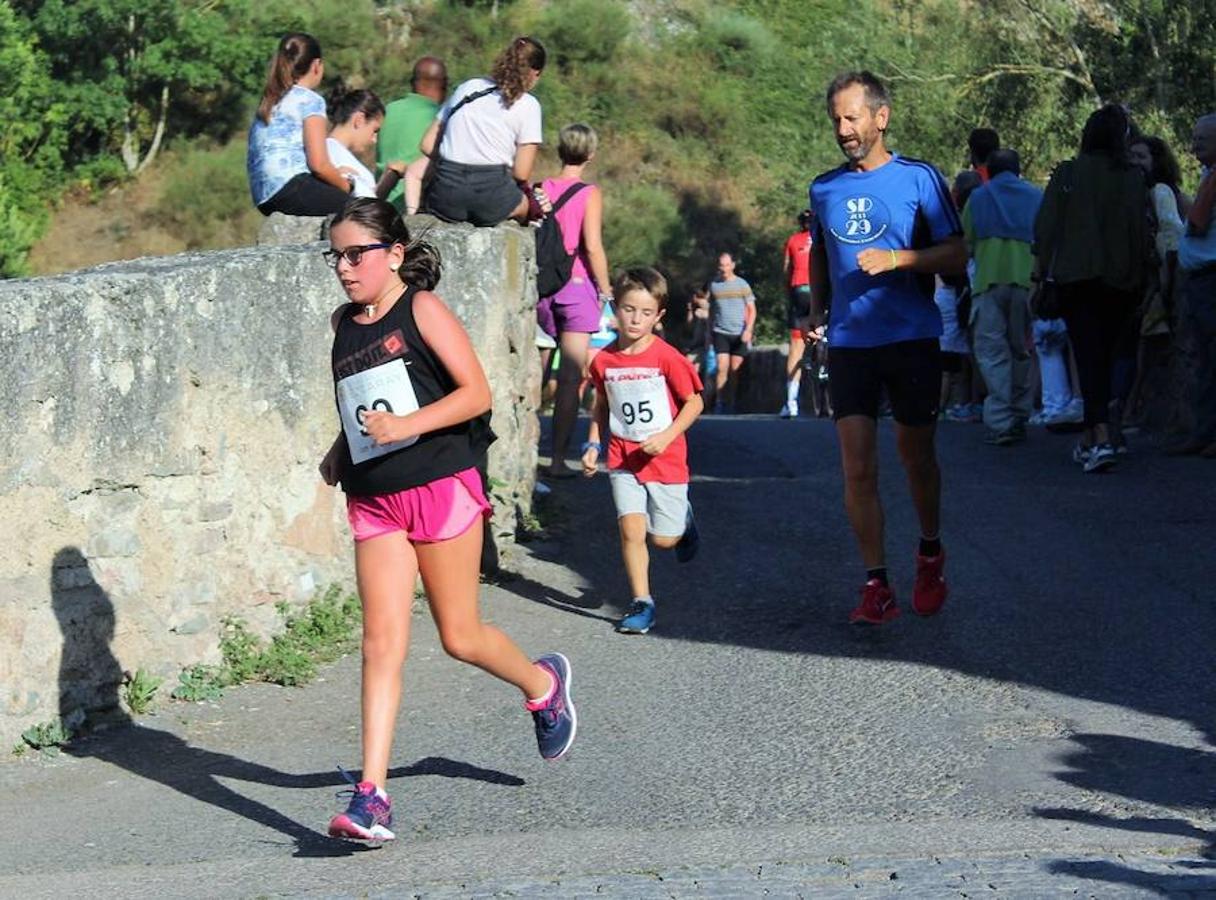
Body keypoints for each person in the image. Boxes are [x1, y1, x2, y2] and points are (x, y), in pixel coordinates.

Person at [318, 198, 577, 843]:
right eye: (336, 256)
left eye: (357, 254)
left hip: (438, 486)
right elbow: (363, 403)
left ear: (395, 254)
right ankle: (372, 796)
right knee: (380, 643)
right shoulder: (343, 324)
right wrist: (340, 447)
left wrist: (405, 426)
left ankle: (542, 684)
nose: (345, 268)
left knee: (458, 636)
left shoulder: (422, 310)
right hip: (375, 495)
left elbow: (475, 393)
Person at [808, 71, 966, 625]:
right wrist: (815, 310)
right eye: (836, 120)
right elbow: (820, 252)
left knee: (916, 457)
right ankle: (876, 583)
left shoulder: (919, 178)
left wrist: (899, 260)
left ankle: (929, 551)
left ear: (881, 116)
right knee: (857, 470)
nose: (843, 129)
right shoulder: (823, 187)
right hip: (851, 342)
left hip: (910, 336)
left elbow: (955, 253)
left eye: (852, 117)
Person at [581, 268, 703, 635]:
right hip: (622, 457)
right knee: (631, 530)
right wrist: (593, 443)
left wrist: (667, 436)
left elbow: (694, 403)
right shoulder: (603, 360)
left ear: (659, 317)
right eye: (629, 309)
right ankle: (642, 602)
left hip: (665, 457)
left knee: (663, 539)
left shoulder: (667, 357)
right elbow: (602, 405)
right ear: (615, 309)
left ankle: (684, 519)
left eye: (646, 313)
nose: (636, 319)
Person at [1034, 104, 1149, 473]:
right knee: (1108, 356)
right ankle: (1099, 433)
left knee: (1088, 356)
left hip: (1076, 278)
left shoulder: (1069, 173)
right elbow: (1140, 231)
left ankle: (1097, 436)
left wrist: (1040, 273)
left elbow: (1046, 227)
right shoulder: (1131, 177)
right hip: (1122, 279)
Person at [536, 124, 613, 478]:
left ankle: (525, 447)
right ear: (590, 155)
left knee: (534, 374)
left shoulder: (539, 189)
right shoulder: (588, 193)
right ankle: (556, 460)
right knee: (570, 378)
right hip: (576, 286)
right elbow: (592, 245)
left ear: (560, 150)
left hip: (541, 288)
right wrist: (606, 288)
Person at [419, 36, 546, 226]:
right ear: (535, 73)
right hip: (491, 195)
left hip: (445, 194)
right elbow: (521, 173)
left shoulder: (468, 88)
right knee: (534, 207)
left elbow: (427, 144)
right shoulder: (528, 104)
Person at [963, 148, 1042, 445]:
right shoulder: (1036, 195)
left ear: (990, 172)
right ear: (1018, 170)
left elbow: (967, 242)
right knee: (1021, 350)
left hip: (988, 281)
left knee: (993, 352)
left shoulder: (979, 198)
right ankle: (1021, 412)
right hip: (1025, 280)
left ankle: (1001, 420)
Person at [247, 33, 354, 217]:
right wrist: (347, 185)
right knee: (365, 213)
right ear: (316, 66)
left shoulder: (270, 100)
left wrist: (334, 174)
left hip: (264, 197)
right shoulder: (310, 100)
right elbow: (319, 165)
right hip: (291, 188)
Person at [1169, 113, 1216, 458]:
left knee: (1210, 358)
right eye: (1195, 137)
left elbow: (1197, 222)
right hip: (1203, 276)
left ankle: (1207, 433)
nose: (1195, 144)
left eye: (1203, 138)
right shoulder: (1207, 174)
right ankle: (1202, 432)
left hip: (1209, 278)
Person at [937, 171, 983, 423]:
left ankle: (958, 404)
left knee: (958, 355)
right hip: (969, 289)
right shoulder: (974, 214)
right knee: (968, 352)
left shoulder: (957, 219)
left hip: (958, 292)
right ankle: (969, 402)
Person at [377, 57, 448, 214]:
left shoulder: (388, 110)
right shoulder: (442, 119)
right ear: (444, 84)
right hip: (415, 208)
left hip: (381, 202)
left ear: (412, 82)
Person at [326, 87, 411, 200]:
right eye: (374, 130)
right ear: (359, 120)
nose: (374, 140)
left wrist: (389, 177)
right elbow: (366, 208)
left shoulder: (322, 152)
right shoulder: (334, 156)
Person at [708, 252, 756, 414]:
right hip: (720, 331)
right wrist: (709, 333)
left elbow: (752, 309)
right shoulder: (714, 285)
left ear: (733, 266)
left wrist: (748, 329)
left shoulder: (742, 285)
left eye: (727, 265)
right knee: (722, 367)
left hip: (739, 332)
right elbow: (712, 310)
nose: (724, 269)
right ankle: (720, 402)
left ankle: (732, 402)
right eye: (721, 265)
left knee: (734, 370)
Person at [780, 210, 815, 418]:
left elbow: (787, 269)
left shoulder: (793, 240)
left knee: (796, 347)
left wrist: (788, 293)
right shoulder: (825, 237)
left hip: (799, 291)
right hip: (821, 292)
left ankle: (791, 402)